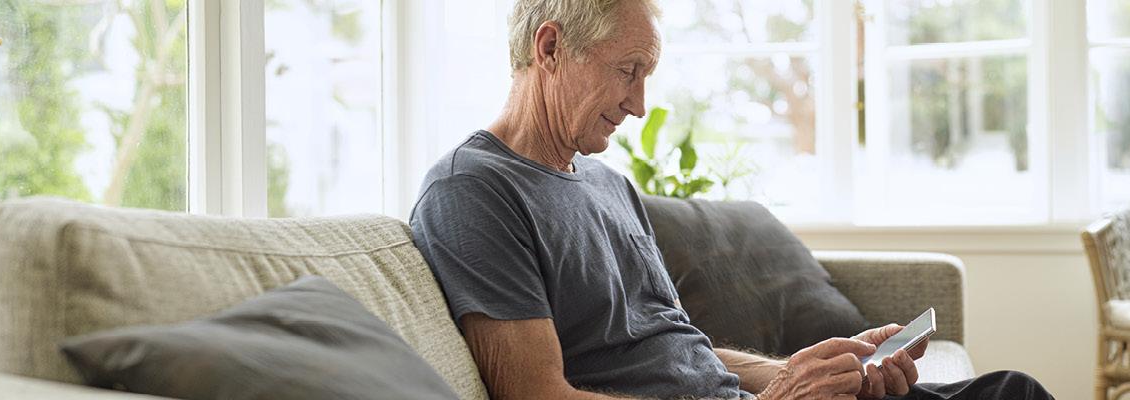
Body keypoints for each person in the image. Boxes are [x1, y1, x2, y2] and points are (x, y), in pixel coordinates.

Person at [409, 0, 1055, 399]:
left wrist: (812, 373)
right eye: (627, 71)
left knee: (1013, 391)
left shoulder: (607, 185)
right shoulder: (473, 192)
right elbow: (536, 397)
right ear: (550, 48)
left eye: (646, 77)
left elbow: (681, 346)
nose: (638, 105)